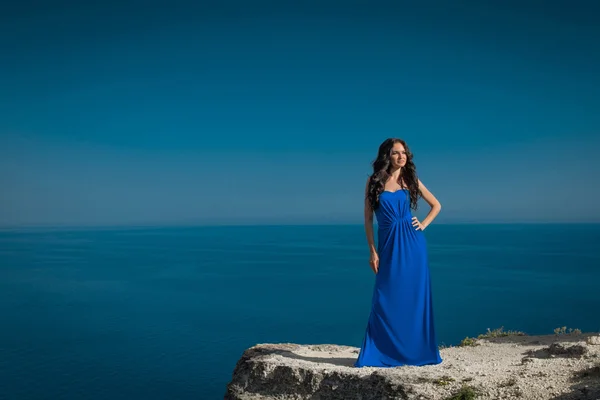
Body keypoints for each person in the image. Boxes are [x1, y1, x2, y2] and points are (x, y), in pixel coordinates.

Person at [354, 138, 443, 368]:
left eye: (404, 153)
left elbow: (436, 205)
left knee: (413, 297)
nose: (401, 156)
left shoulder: (410, 179)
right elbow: (367, 218)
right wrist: (372, 251)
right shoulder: (374, 181)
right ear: (387, 155)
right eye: (396, 153)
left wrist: (422, 225)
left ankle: (415, 352)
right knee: (385, 296)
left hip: (413, 245)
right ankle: (382, 352)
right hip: (388, 245)